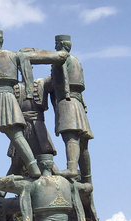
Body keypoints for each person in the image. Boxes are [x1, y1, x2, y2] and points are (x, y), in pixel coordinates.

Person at [0, 29, 69, 180]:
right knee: (16, 136)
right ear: (1, 40)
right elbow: (27, 73)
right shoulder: (14, 55)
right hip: (7, 100)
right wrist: (29, 91)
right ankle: (32, 166)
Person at [50, 34, 93, 182]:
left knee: (71, 137)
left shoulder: (61, 58)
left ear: (60, 44)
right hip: (78, 102)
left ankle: (72, 169)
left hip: (67, 101)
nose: (55, 47)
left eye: (56, 44)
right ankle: (87, 177)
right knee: (82, 143)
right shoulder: (76, 60)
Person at [6, 78, 57, 176]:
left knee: (47, 162)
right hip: (20, 128)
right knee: (16, 164)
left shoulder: (41, 83)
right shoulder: (13, 86)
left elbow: (54, 80)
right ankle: (0, 191)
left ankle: (60, 188)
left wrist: (57, 66)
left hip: (38, 128)